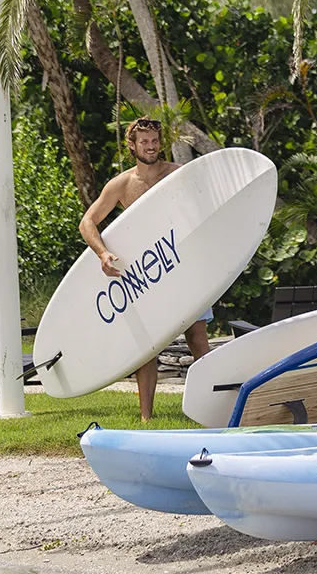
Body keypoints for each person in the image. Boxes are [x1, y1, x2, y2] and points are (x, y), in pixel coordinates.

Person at [79, 116, 212, 421]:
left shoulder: (177, 174)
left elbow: (205, 204)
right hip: (150, 272)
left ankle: (210, 408)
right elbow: (87, 223)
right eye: (144, 142)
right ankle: (146, 418)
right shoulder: (122, 185)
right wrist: (102, 253)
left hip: (185, 266)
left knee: (197, 338)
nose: (150, 147)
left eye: (154, 141)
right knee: (147, 347)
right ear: (132, 145)